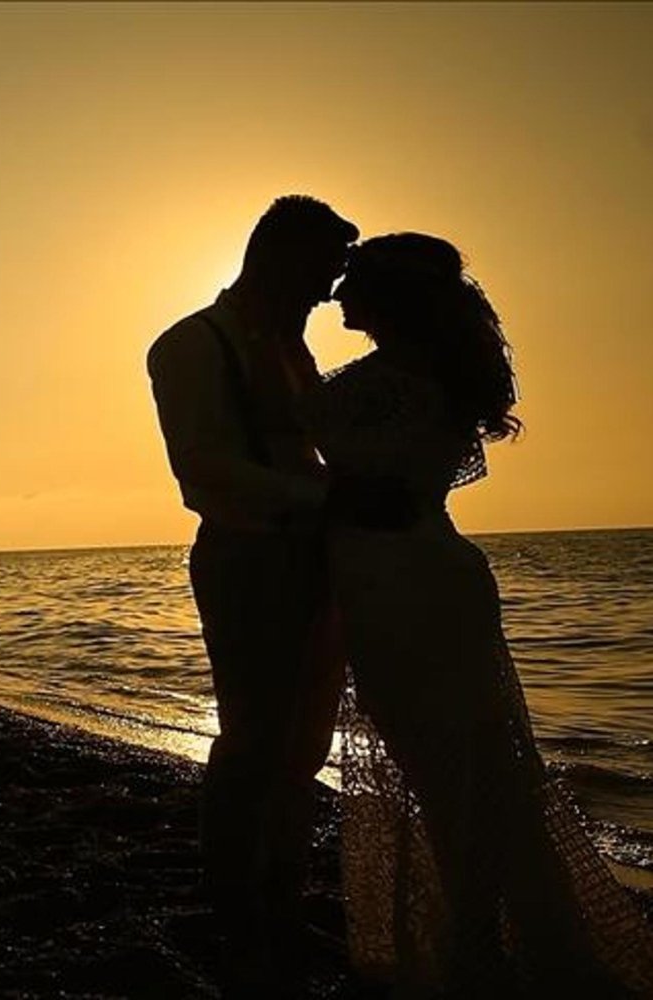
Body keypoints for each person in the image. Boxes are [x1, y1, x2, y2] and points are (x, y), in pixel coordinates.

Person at [304, 233, 653, 995]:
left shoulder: (371, 387)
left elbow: (334, 474)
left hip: (400, 586)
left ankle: (472, 951)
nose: (335, 295)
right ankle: (513, 943)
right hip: (439, 576)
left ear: (390, 296)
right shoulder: (438, 377)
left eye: (352, 281)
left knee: (446, 780)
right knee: (488, 776)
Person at [146, 196, 359, 995]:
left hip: (317, 562)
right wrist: (331, 502)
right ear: (277, 256)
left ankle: (282, 896)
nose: (329, 292)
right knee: (251, 741)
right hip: (246, 558)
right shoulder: (190, 344)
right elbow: (202, 467)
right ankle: (235, 910)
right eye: (321, 271)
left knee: (304, 746)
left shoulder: (292, 346)